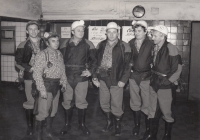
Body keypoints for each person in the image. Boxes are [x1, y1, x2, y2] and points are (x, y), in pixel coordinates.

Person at [143, 25, 182, 140]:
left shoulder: (171, 48)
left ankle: (167, 135)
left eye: (155, 35)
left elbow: (178, 69)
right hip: (154, 82)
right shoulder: (155, 48)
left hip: (165, 85)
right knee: (152, 109)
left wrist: (168, 82)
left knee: (166, 111)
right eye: (152, 35)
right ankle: (152, 135)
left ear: (162, 36)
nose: (152, 37)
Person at [92, 22, 131, 136]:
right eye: (109, 32)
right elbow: (95, 62)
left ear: (117, 33)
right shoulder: (100, 45)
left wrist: (124, 80)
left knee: (116, 104)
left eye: (114, 32)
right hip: (103, 77)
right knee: (104, 102)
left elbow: (128, 65)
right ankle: (109, 122)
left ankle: (117, 125)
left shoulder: (124, 46)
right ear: (106, 33)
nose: (112, 34)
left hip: (116, 78)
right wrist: (94, 77)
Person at [59, 20, 97, 136]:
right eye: (78, 30)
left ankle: (82, 125)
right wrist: (61, 76)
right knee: (67, 101)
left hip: (81, 77)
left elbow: (95, 61)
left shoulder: (88, 44)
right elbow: (59, 61)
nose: (81, 32)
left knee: (81, 102)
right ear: (72, 31)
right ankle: (67, 124)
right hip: (67, 76)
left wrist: (90, 71)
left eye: (82, 30)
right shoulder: (64, 44)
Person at [33, 32, 67, 140]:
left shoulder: (59, 54)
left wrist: (64, 82)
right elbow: (37, 73)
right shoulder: (42, 54)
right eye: (53, 41)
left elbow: (63, 70)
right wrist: (41, 89)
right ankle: (38, 136)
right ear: (47, 43)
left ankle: (48, 132)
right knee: (42, 112)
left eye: (57, 41)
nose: (56, 43)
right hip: (46, 85)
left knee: (53, 111)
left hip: (56, 86)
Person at [15, 21, 47, 135]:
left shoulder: (45, 43)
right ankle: (30, 128)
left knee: (44, 101)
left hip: (45, 77)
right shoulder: (22, 45)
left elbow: (51, 57)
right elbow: (17, 63)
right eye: (30, 29)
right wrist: (29, 69)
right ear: (27, 31)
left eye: (35, 29)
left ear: (38, 31)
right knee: (30, 101)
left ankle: (41, 127)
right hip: (30, 77)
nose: (33, 31)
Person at [128, 21, 154, 137]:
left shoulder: (151, 43)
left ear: (145, 31)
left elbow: (156, 58)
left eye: (139, 31)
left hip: (146, 76)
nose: (136, 33)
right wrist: (130, 66)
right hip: (133, 77)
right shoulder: (131, 43)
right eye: (135, 31)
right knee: (134, 102)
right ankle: (137, 125)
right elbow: (128, 58)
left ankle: (148, 128)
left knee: (147, 102)